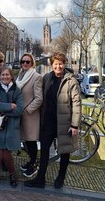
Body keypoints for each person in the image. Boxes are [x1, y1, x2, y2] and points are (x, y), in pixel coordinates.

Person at [25, 51, 82, 189]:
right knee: (44, 150)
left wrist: (75, 125)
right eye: (56, 64)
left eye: (61, 64)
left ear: (64, 64)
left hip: (65, 122)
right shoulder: (47, 78)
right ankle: (40, 179)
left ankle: (60, 178)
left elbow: (77, 103)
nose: (58, 66)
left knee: (64, 152)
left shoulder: (71, 81)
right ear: (52, 65)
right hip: (49, 121)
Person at [0, 67, 23, 191]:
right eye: (3, 75)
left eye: (7, 75)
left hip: (11, 127)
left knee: (7, 156)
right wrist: (10, 106)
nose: (5, 77)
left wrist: (1, 107)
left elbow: (19, 110)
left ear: (11, 76)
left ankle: (12, 174)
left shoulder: (17, 91)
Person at [16, 53, 43, 178]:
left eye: (27, 62)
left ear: (32, 63)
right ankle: (31, 161)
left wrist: (28, 110)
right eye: (23, 62)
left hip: (30, 116)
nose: (25, 64)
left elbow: (39, 98)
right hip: (20, 114)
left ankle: (33, 165)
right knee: (26, 141)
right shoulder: (20, 76)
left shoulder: (36, 77)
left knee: (31, 142)